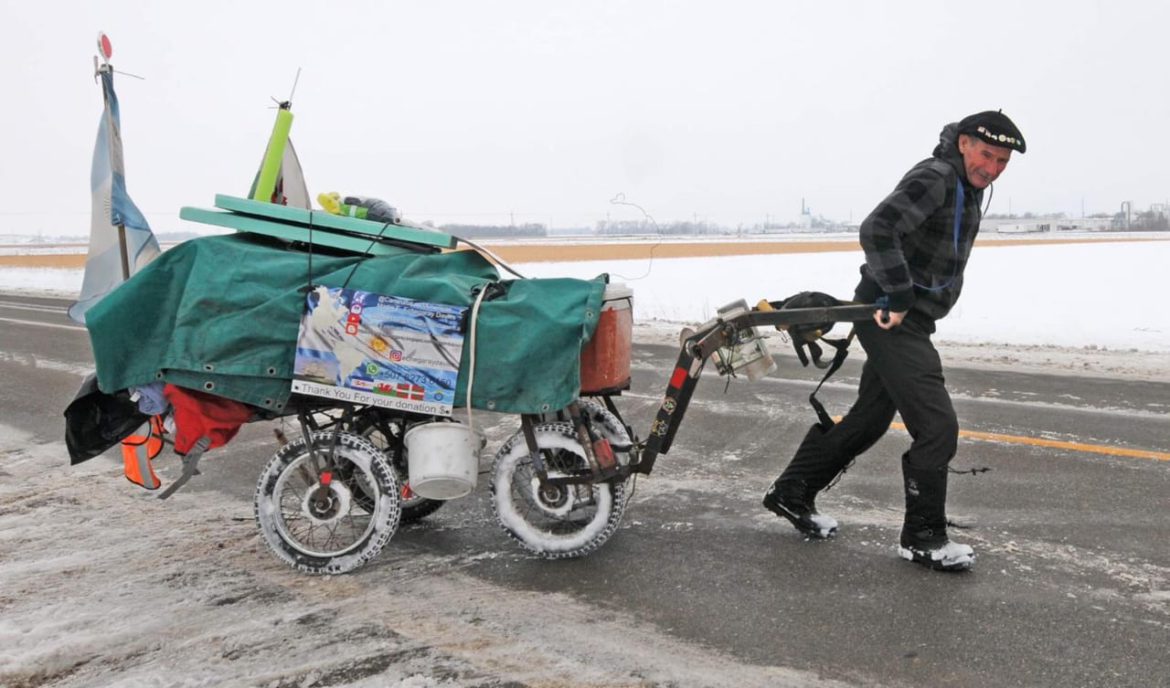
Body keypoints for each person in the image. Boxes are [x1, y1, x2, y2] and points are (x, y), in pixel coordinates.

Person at [762, 110, 1026, 572]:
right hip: (892, 317)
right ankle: (923, 537)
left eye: (1003, 161)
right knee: (937, 426)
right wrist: (900, 292)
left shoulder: (965, 186)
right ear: (964, 143)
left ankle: (790, 493)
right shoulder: (938, 176)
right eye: (988, 155)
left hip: (909, 318)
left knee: (868, 420)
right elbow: (878, 229)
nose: (993, 168)